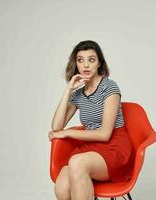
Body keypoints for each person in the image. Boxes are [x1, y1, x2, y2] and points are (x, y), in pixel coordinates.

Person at [48, 40, 134, 200]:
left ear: (99, 63)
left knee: (77, 163)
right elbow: (56, 127)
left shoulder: (110, 87)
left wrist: (69, 133)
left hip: (114, 147)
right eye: (81, 60)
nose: (86, 65)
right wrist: (68, 89)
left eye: (91, 59)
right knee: (62, 186)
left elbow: (104, 135)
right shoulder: (78, 94)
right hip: (91, 149)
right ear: (76, 64)